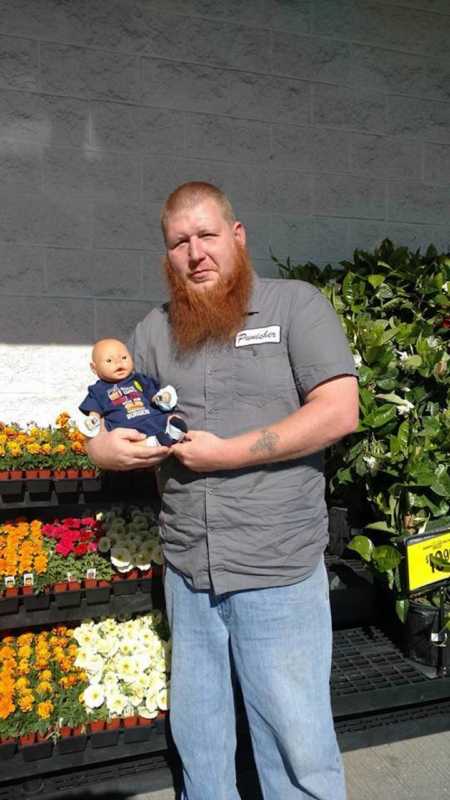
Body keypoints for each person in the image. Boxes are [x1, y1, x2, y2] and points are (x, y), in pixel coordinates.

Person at [87, 182, 359, 800]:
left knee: (296, 744)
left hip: (276, 568)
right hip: (189, 569)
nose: (196, 253)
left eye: (208, 235)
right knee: (201, 735)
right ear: (168, 257)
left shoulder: (296, 307)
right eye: (180, 243)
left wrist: (227, 454)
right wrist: (101, 449)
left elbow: (339, 410)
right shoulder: (154, 332)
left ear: (237, 238)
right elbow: (110, 417)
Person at [79, 338, 187, 446]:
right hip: (126, 425)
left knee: (168, 420)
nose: (119, 362)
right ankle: (153, 443)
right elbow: (94, 411)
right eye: (109, 361)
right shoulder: (98, 390)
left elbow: (153, 395)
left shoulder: (139, 379)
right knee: (127, 441)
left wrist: (161, 398)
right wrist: (93, 419)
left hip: (150, 417)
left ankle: (173, 435)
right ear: (94, 368)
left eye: (124, 357)